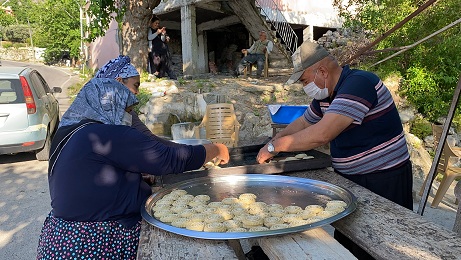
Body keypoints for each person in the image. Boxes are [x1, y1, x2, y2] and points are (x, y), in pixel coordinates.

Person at [36, 78, 229, 259]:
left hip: (61, 238)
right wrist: (216, 149)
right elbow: (168, 159)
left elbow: (89, 176)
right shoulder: (107, 134)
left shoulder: (73, 131)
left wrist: (131, 180)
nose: (130, 117)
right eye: (127, 110)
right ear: (110, 106)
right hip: (95, 241)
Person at [256, 41, 413, 259]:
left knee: (387, 244)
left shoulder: (358, 84)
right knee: (352, 243)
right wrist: (275, 139)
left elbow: (322, 133)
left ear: (322, 71)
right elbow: (304, 123)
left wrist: (275, 147)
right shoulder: (326, 95)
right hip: (353, 179)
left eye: (304, 80)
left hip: (384, 178)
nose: (304, 87)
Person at [147, 16, 177, 80]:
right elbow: (149, 38)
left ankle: (164, 76)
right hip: (154, 50)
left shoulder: (159, 30)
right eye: (156, 23)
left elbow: (163, 40)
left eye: (158, 23)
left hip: (162, 49)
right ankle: (156, 75)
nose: (157, 25)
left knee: (164, 63)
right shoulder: (150, 30)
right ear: (152, 23)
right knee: (156, 63)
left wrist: (163, 34)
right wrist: (157, 33)